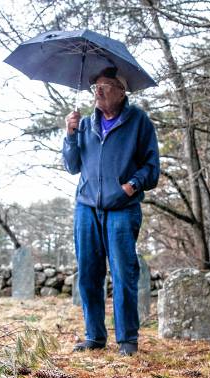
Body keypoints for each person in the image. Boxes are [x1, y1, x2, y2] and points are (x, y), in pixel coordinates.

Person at [62, 67, 160, 356]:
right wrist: (69, 134)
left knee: (122, 273)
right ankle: (94, 336)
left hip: (122, 210)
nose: (99, 91)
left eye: (105, 86)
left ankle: (127, 340)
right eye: (96, 86)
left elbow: (152, 169)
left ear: (121, 91)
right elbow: (72, 165)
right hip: (86, 208)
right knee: (89, 274)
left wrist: (130, 187)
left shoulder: (138, 122)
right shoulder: (84, 124)